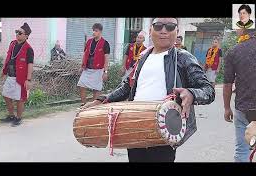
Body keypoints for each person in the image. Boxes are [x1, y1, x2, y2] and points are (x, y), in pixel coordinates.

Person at [82, 18, 215, 162]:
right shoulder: (143, 57)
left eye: (170, 27)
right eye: (158, 26)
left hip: (165, 129)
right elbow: (127, 86)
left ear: (177, 32)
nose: (163, 30)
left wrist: (191, 93)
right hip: (134, 124)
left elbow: (208, 90)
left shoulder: (183, 58)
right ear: (151, 30)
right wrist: (101, 100)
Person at [223, 28, 256, 162]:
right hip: (244, 107)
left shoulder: (234, 51)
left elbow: (227, 84)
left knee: (242, 150)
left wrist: (227, 108)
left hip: (244, 108)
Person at [1, 23, 34, 126]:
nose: (17, 34)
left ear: (26, 36)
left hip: (21, 78)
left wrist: (28, 80)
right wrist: (4, 71)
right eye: (17, 32)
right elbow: (8, 58)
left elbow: (30, 65)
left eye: (20, 33)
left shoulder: (29, 49)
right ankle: (11, 116)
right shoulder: (13, 44)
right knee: (6, 95)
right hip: (10, 75)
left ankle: (18, 118)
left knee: (20, 99)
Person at [77, 23, 110, 106]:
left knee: (96, 89)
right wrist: (82, 66)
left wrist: (105, 72)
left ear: (100, 32)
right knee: (81, 85)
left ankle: (92, 106)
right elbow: (85, 54)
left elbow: (106, 59)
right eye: (93, 30)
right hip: (87, 69)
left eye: (96, 31)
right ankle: (84, 104)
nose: (94, 32)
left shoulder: (105, 43)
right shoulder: (89, 42)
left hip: (98, 70)